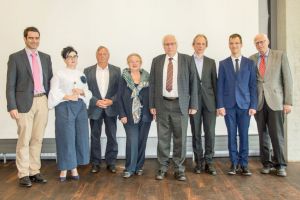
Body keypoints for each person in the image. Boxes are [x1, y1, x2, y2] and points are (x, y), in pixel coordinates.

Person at [6, 27, 53, 187]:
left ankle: (34, 171)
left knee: (37, 139)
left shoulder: (46, 58)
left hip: (42, 101)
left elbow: (50, 81)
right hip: (24, 103)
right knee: (24, 139)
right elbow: (10, 84)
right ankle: (23, 174)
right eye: (31, 38)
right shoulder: (15, 58)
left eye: (37, 38)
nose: (34, 41)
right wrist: (12, 106)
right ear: (25, 39)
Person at [149, 34, 198, 181]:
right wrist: (152, 104)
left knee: (180, 138)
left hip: (180, 105)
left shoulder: (187, 60)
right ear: (163, 46)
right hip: (162, 104)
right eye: (166, 44)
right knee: (162, 138)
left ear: (176, 45)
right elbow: (152, 84)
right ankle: (163, 167)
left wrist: (194, 104)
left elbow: (193, 82)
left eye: (172, 44)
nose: (169, 46)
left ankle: (179, 169)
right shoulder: (157, 61)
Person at [250, 33, 293, 177]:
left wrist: (288, 102)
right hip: (259, 102)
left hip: (276, 101)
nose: (259, 45)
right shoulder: (252, 59)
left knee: (277, 134)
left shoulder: (280, 55)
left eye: (262, 42)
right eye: (257, 43)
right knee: (263, 135)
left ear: (267, 41)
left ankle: (280, 164)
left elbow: (287, 79)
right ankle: (266, 164)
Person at [48, 46, 92, 181]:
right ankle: (64, 168)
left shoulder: (81, 74)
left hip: (80, 107)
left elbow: (88, 91)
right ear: (64, 59)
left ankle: (74, 167)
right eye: (69, 57)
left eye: (74, 56)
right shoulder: (59, 74)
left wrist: (82, 92)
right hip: (65, 107)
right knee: (66, 137)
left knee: (80, 136)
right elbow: (54, 91)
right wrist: (67, 96)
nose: (72, 59)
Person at [217, 33, 257, 176]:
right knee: (231, 135)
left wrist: (253, 105)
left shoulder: (250, 63)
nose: (234, 45)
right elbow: (220, 86)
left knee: (244, 136)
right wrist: (220, 105)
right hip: (228, 106)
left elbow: (253, 86)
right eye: (231, 43)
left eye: (236, 43)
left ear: (241, 44)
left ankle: (244, 164)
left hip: (245, 106)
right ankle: (234, 163)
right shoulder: (223, 64)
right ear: (229, 45)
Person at [84, 46, 121, 173]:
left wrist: (111, 100)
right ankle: (95, 162)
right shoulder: (87, 71)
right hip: (95, 108)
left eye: (104, 54)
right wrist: (95, 101)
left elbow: (119, 90)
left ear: (108, 55)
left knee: (112, 135)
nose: (102, 56)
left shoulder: (116, 70)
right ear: (96, 55)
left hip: (111, 107)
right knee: (95, 136)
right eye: (99, 54)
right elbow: (86, 90)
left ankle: (111, 162)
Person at [118, 53, 152, 178]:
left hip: (145, 114)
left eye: (137, 61)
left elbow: (152, 95)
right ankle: (129, 168)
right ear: (128, 63)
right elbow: (119, 97)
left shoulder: (147, 77)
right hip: (129, 115)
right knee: (132, 141)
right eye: (131, 61)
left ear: (140, 62)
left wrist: (153, 109)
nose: (134, 63)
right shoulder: (123, 77)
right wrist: (121, 114)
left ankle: (139, 167)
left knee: (142, 141)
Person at [189, 34, 217, 175]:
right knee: (196, 133)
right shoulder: (186, 61)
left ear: (206, 45)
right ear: (193, 45)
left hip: (210, 103)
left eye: (203, 44)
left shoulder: (211, 62)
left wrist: (218, 105)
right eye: (198, 43)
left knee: (210, 133)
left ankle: (209, 162)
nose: (200, 46)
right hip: (193, 103)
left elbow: (215, 83)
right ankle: (199, 162)